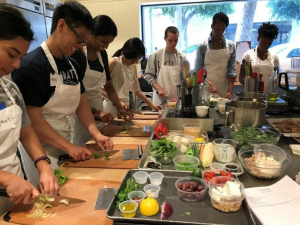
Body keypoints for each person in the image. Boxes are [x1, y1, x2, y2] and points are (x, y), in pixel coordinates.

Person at [11, 1, 113, 187]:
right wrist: (69, 147)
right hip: (40, 153)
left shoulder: (72, 65)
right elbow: (32, 120)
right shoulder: (32, 66)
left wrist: (96, 134)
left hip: (66, 145)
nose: (80, 45)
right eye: (79, 38)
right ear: (61, 25)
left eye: (84, 40)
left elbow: (81, 104)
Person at [0, 4, 59, 216]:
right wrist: (5, 178)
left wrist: (43, 166)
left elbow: (26, 131)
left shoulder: (10, 90)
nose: (16, 65)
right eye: (11, 54)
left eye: (21, 58)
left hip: (12, 197)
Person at [71, 15, 132, 146]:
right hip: (79, 114)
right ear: (91, 34)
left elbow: (109, 87)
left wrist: (120, 107)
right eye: (103, 41)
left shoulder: (102, 55)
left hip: (98, 111)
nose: (106, 46)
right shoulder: (78, 54)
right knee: (83, 147)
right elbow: (74, 95)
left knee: (97, 146)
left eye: (109, 43)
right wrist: (96, 112)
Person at [103, 38, 162, 116]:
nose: (137, 61)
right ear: (130, 54)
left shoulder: (133, 66)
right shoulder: (113, 63)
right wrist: (118, 103)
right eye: (137, 58)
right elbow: (101, 89)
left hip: (125, 108)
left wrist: (152, 105)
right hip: (111, 107)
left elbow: (137, 90)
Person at [194, 12, 237, 99]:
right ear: (212, 26)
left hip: (224, 88)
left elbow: (232, 71)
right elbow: (198, 71)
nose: (219, 32)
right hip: (206, 88)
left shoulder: (231, 46)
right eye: (217, 29)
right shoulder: (203, 46)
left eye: (222, 30)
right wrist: (209, 84)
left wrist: (229, 91)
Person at [143, 26, 188, 105]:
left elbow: (185, 78)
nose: (173, 43)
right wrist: (159, 88)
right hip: (159, 99)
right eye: (170, 40)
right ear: (165, 39)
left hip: (175, 99)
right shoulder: (155, 55)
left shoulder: (182, 57)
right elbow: (148, 75)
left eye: (176, 40)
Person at [239, 22, 279, 93]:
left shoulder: (274, 57)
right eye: (263, 42)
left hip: (269, 96)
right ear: (258, 38)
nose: (266, 45)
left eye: (269, 43)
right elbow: (241, 78)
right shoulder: (248, 56)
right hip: (252, 97)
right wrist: (251, 86)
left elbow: (276, 78)